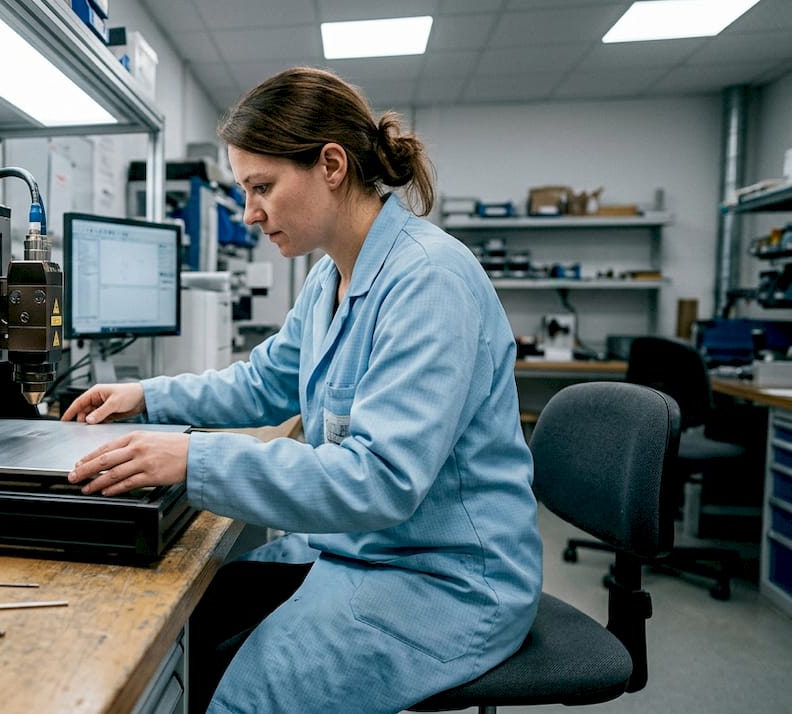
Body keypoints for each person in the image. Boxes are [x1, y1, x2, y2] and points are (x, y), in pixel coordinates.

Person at [61, 66, 542, 714]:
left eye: (262, 187)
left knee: (247, 697)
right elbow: (264, 382)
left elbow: (381, 477)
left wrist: (193, 459)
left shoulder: (429, 281)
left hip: (447, 578)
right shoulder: (329, 279)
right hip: (369, 550)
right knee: (204, 622)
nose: (251, 212)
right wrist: (148, 395)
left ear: (332, 165)